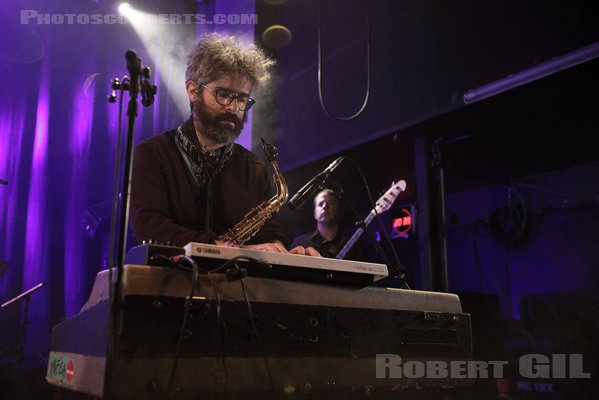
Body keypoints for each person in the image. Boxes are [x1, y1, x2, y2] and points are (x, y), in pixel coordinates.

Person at [129, 33, 318, 256]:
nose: (233, 108)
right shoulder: (153, 153)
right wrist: (219, 247)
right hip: (166, 281)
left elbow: (268, 233)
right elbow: (150, 228)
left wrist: (281, 250)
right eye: (224, 94)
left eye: (241, 99)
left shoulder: (253, 167)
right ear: (193, 91)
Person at [291, 187, 364, 260]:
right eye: (320, 204)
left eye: (331, 203)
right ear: (314, 213)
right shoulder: (300, 242)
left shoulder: (354, 245)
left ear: (340, 211)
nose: (325, 206)